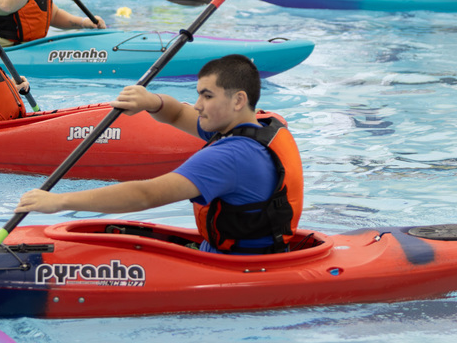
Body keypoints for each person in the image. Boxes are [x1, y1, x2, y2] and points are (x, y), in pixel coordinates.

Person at [16, 54, 304, 255]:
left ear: (238, 99)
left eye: (207, 95)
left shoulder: (230, 158)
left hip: (236, 263)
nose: (198, 104)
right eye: (198, 94)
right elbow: (178, 113)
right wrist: (150, 102)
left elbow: (146, 195)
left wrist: (59, 201)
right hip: (261, 249)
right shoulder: (260, 127)